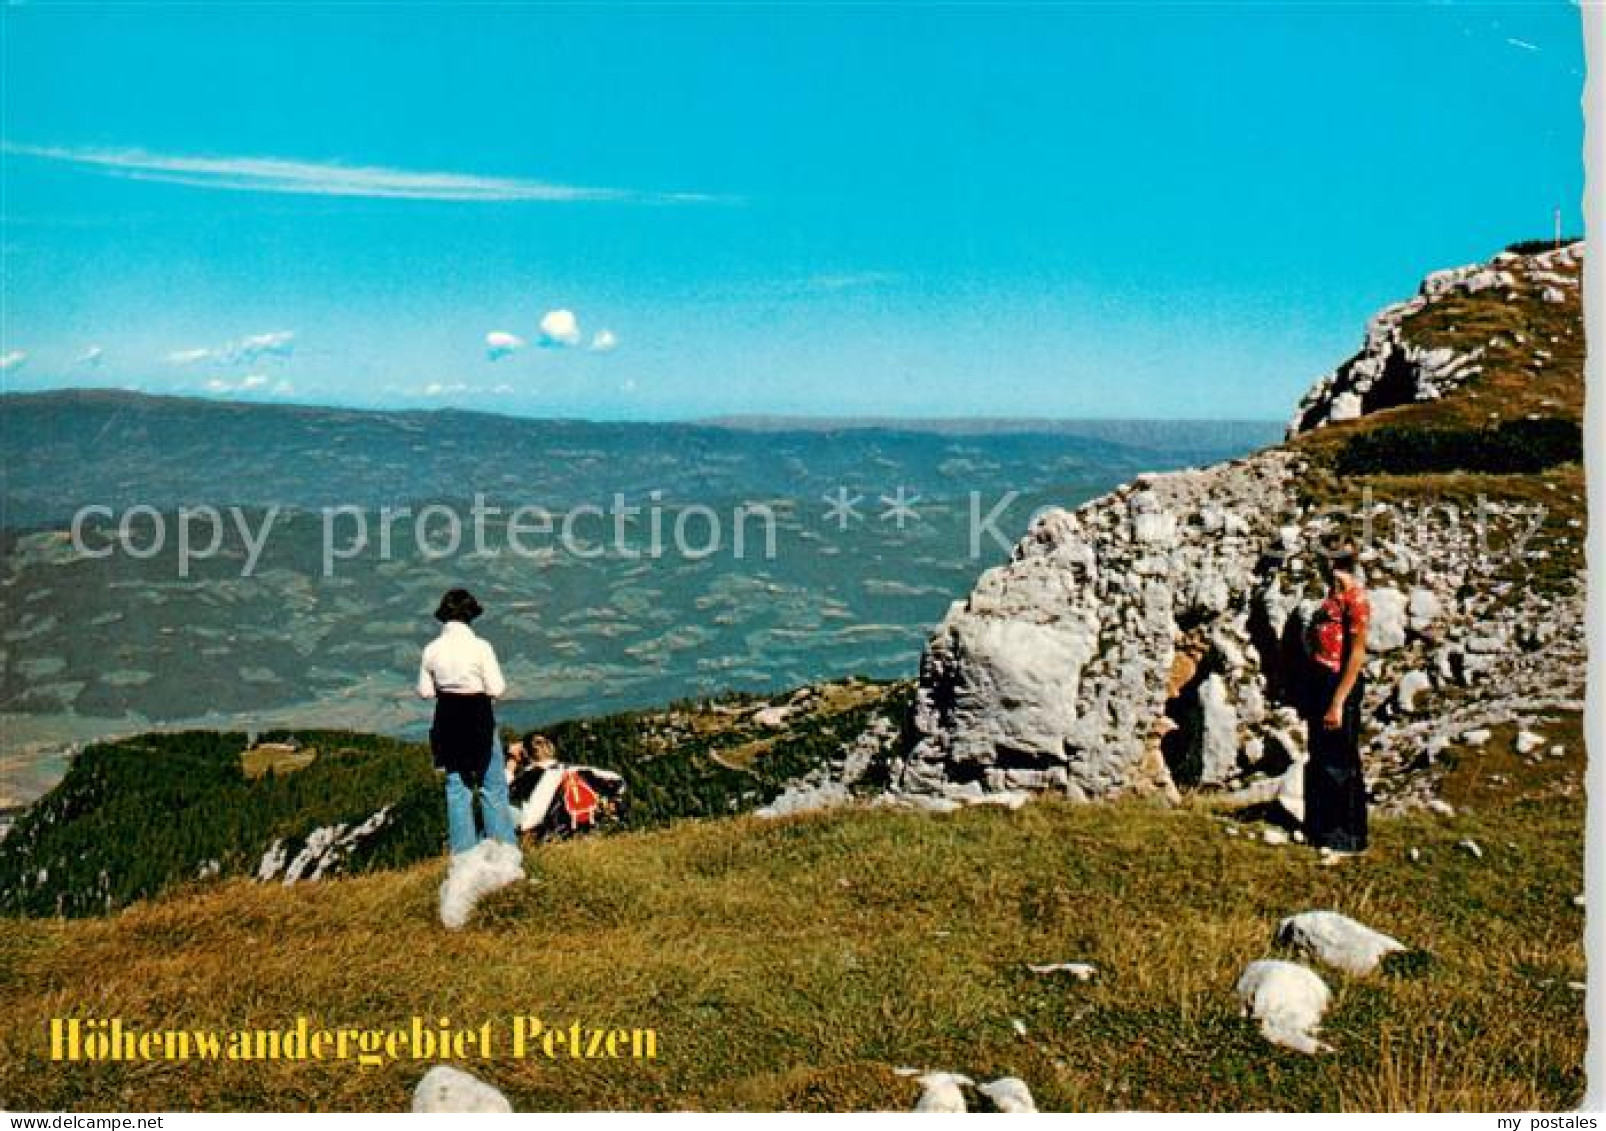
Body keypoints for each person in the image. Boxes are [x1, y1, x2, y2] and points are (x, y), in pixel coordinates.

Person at [416, 588, 519, 856]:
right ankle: (502, 851)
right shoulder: (481, 647)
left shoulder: (431, 650)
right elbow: (497, 688)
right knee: (491, 785)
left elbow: (425, 692)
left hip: (447, 719)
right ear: (471, 615)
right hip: (478, 716)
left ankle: (463, 855)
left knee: (457, 788)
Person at [1302, 547, 1371, 863]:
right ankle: (1319, 829)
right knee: (1320, 756)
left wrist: (1338, 703)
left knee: (1340, 760)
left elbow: (1356, 655)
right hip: (1319, 679)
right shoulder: (1333, 596)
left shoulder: (1355, 599)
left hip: (1340, 683)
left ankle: (1346, 838)